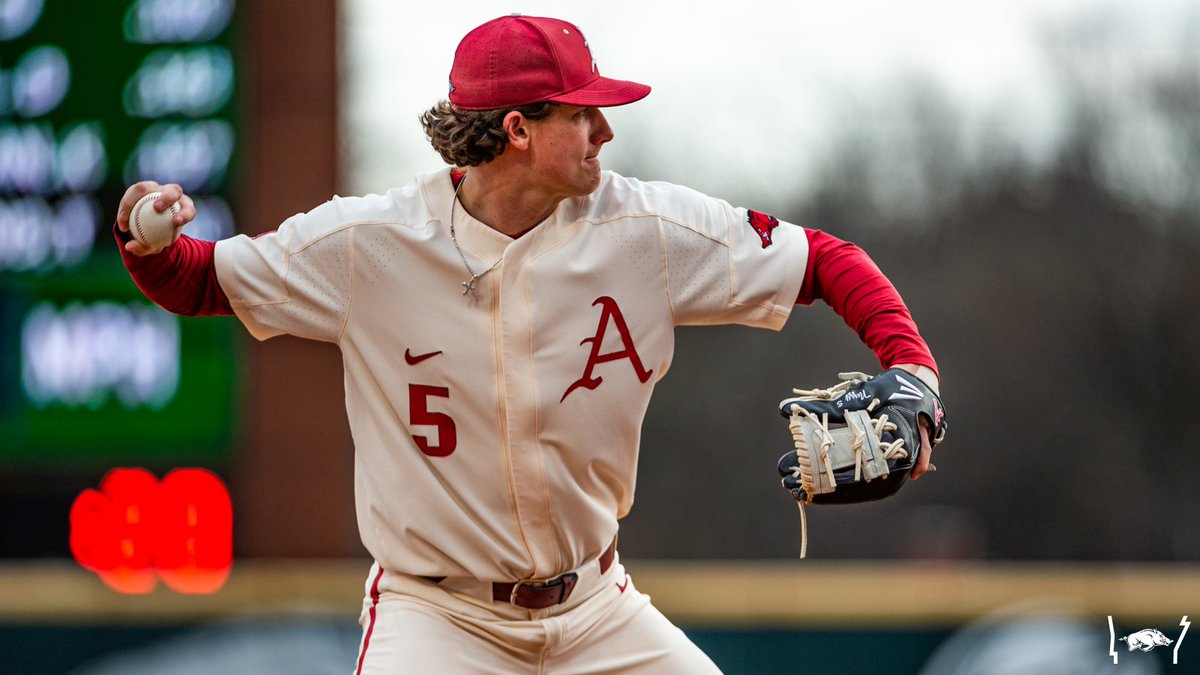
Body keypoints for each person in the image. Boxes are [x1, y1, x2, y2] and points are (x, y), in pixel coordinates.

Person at [115, 14, 942, 674]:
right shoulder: (369, 244)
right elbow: (199, 281)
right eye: (582, 112)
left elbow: (826, 261)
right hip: (437, 618)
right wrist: (144, 240)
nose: (604, 132)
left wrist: (914, 371)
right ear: (517, 128)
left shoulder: (643, 230)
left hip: (596, 609)